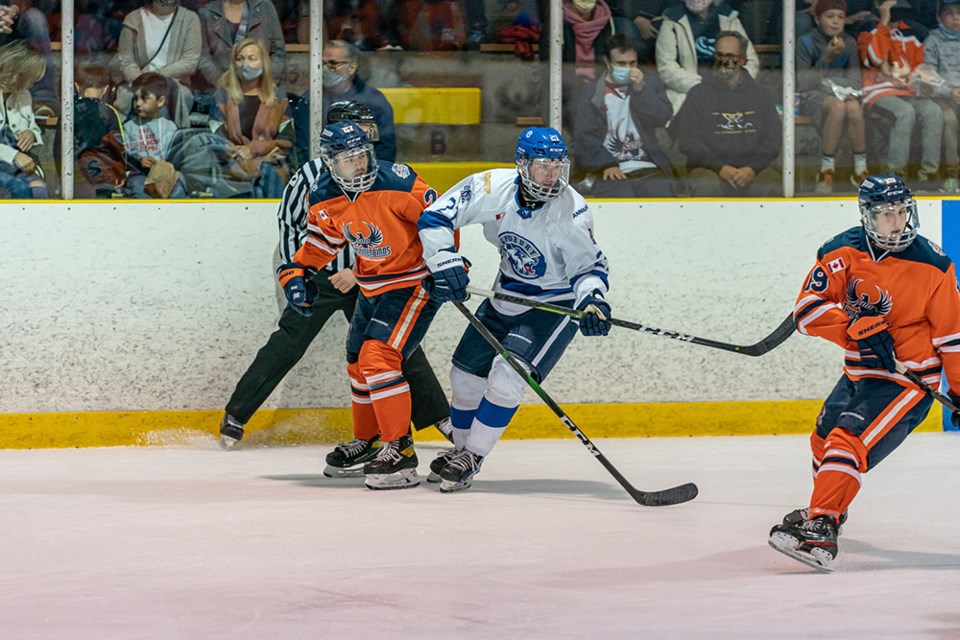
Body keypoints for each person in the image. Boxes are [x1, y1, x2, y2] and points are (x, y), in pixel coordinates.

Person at [221, 101, 452, 460]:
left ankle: (436, 421)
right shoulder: (314, 181)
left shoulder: (386, 175)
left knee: (393, 350)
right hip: (327, 281)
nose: (364, 149)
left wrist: (442, 262)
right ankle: (236, 414)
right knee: (294, 342)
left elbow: (428, 221)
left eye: (367, 138)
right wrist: (297, 272)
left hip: (370, 276)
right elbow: (296, 229)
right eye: (360, 129)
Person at [769, 173, 960, 572]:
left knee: (847, 439)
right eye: (886, 214)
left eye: (902, 212)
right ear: (867, 217)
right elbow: (807, 310)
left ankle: (821, 523)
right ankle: (830, 509)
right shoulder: (842, 251)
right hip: (859, 372)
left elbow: (952, 337)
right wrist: (852, 330)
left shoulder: (934, 264)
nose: (896, 221)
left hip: (908, 380)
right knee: (822, 440)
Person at [416, 127, 613, 493]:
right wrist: (443, 260)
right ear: (522, 164)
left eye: (558, 167)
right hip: (504, 294)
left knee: (508, 376)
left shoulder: (571, 211)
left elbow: (589, 269)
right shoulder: (492, 187)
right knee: (463, 378)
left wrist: (593, 301)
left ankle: (472, 456)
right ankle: (460, 449)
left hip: (552, 306)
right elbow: (435, 217)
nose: (551, 176)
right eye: (543, 167)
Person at [276, 120, 444, 490]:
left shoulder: (398, 182)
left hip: (413, 284)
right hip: (371, 287)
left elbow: (439, 221)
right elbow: (323, 241)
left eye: (362, 156)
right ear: (330, 163)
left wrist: (446, 261)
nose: (360, 165)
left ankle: (399, 449)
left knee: (378, 357)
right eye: (349, 159)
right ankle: (368, 442)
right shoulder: (323, 196)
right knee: (356, 363)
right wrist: (300, 268)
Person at [669, 31, 782, 197]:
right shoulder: (698, 94)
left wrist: (752, 169)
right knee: (704, 184)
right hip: (709, 170)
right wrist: (720, 168)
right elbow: (688, 141)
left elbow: (773, 140)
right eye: (719, 55)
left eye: (730, 56)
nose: (723, 61)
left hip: (754, 170)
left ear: (742, 59)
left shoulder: (761, 94)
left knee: (772, 184)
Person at [573, 33, 675, 197]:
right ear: (607, 62)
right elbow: (584, 136)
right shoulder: (591, 93)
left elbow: (662, 117)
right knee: (621, 193)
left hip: (647, 164)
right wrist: (606, 164)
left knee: (662, 192)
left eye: (632, 63)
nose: (628, 68)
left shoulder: (649, 84)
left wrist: (641, 91)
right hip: (605, 167)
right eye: (621, 63)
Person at [857, 0, 943, 188]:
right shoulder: (869, 29)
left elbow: (921, 66)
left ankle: (928, 175)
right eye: (891, 12)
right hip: (877, 91)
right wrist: (884, 25)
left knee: (933, 111)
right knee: (905, 112)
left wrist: (922, 77)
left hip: (909, 91)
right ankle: (896, 178)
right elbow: (874, 58)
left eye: (898, 12)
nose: (896, 17)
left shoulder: (912, 33)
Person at [797, 0, 869, 193]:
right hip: (812, 94)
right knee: (837, 107)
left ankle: (860, 170)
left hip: (843, 93)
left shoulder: (850, 42)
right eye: (830, 17)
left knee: (853, 108)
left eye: (841, 17)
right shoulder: (806, 41)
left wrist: (843, 89)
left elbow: (855, 80)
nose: (836, 22)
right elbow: (803, 82)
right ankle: (826, 170)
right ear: (817, 19)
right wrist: (826, 58)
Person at [290, 39, 396, 170]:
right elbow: (305, 149)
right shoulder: (309, 100)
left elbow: (385, 149)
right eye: (322, 63)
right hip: (324, 178)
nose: (325, 69)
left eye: (333, 64)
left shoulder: (374, 101)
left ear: (352, 67)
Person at [211, 37, 292, 198]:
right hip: (233, 165)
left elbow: (287, 139)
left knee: (269, 173)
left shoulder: (278, 96)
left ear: (263, 62)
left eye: (251, 58)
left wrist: (254, 150)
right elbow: (216, 138)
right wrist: (239, 153)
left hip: (271, 164)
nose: (244, 64)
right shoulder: (222, 96)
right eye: (240, 59)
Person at [655, 0, 759, 115]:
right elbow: (666, 68)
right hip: (689, 95)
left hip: (731, 92)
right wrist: (703, 87)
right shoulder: (672, 20)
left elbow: (750, 61)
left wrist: (734, 84)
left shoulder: (729, 17)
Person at [112, 0, 202, 128]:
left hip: (174, 83)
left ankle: (175, 142)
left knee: (177, 97)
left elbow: (190, 62)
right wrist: (141, 81)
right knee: (127, 97)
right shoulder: (133, 19)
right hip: (136, 80)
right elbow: (126, 60)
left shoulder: (190, 19)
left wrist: (155, 78)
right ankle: (124, 142)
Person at [196, 0, 286, 93]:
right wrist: (224, 85)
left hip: (266, 87)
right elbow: (203, 58)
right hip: (222, 88)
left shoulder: (265, 7)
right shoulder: (207, 13)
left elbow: (278, 52)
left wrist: (265, 83)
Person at [122, 72, 186, 198]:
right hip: (140, 175)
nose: (138, 103)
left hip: (166, 174)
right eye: (135, 98)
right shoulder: (128, 127)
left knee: (178, 188)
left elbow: (176, 156)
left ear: (160, 101)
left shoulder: (170, 127)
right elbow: (124, 155)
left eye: (144, 98)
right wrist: (139, 161)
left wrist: (165, 165)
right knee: (140, 192)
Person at [0, 39, 47, 199]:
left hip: (15, 164)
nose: (33, 84)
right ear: (17, 74)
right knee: (19, 189)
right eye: (31, 78)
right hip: (9, 160)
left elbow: (32, 125)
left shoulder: (24, 95)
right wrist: (14, 156)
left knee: (39, 190)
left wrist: (30, 133)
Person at [921, 0, 960, 193]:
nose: (956, 18)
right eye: (950, 14)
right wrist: (950, 91)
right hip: (943, 97)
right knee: (949, 120)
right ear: (940, 17)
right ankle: (952, 174)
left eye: (959, 13)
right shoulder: (933, 40)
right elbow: (928, 78)